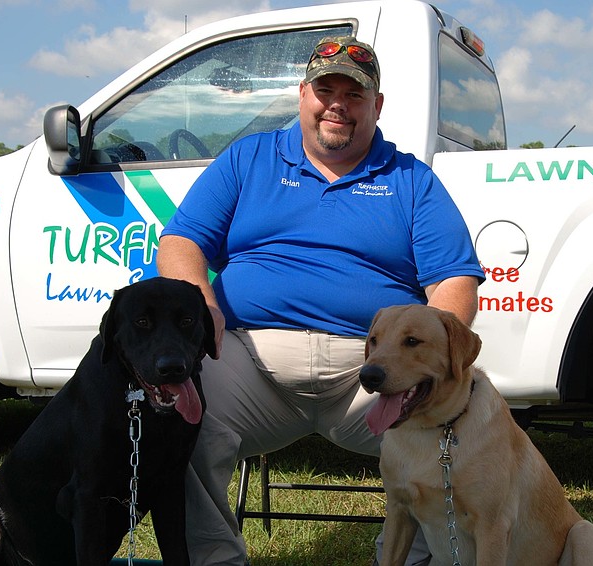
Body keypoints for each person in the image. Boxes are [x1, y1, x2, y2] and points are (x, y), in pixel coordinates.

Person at [156, 35, 484, 565]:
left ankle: (410, 561)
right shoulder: (248, 158)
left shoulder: (411, 180)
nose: (338, 104)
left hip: (371, 370)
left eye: (354, 95)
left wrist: (429, 363)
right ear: (302, 94)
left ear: (377, 106)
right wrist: (204, 308)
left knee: (455, 430)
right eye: (325, 89)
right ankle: (213, 559)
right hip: (246, 357)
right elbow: (181, 242)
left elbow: (453, 281)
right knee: (178, 413)